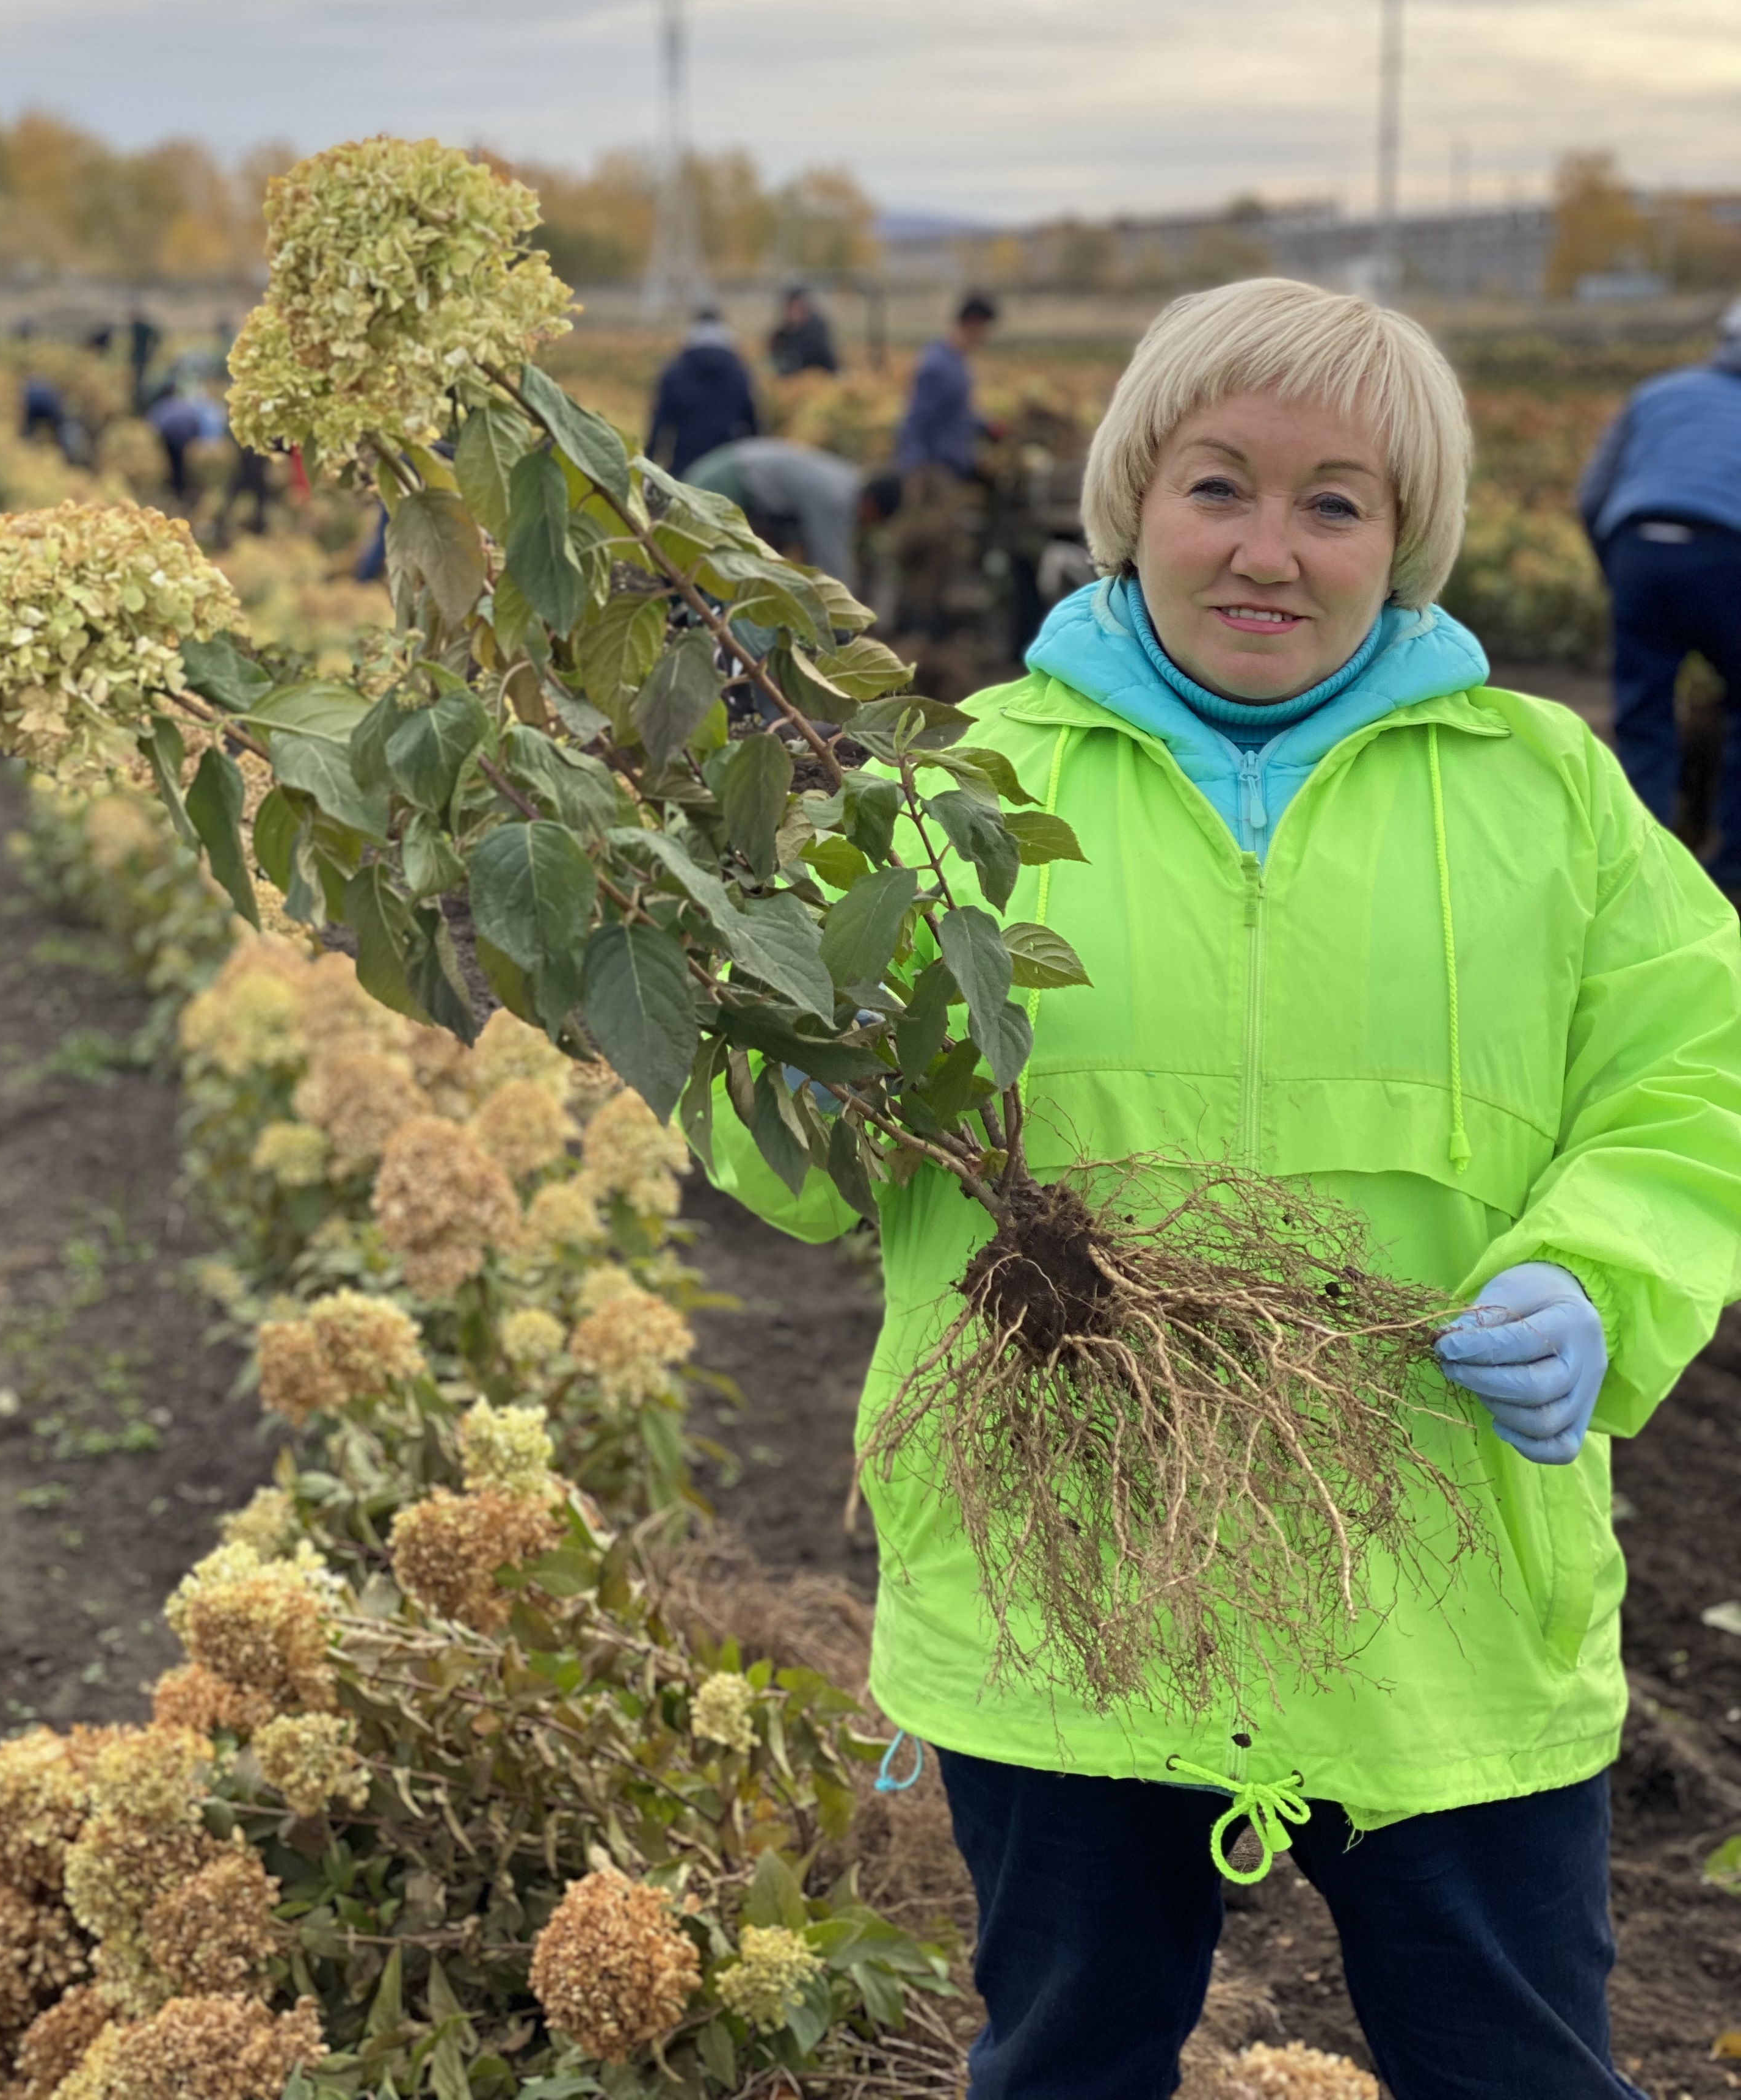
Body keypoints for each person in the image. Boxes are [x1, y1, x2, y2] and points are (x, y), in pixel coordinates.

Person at [708, 276, 1741, 2100]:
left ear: (1406, 539)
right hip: (1067, 1603)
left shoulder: (1549, 799)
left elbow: (1692, 1081)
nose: (1269, 551)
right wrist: (756, 1038)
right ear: (1132, 501)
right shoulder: (949, 793)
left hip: (1441, 1607)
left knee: (1516, 2067)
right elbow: (792, 1156)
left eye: (1336, 503)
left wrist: (1601, 1273)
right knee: (1068, 2062)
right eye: (1217, 487)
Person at [1577, 297, 1741, 893]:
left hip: (1639, 547)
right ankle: (1730, 869)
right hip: (1728, 552)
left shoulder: (1657, 393)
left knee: (1644, 715)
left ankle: (1641, 870)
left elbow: (1592, 495)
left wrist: (1617, 573)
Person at [683, 437, 863, 590]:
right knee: (700, 565)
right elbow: (831, 569)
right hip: (728, 480)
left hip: (733, 463)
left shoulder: (849, 481)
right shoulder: (836, 500)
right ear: (871, 506)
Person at [895, 291, 1000, 479]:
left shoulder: (957, 362)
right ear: (973, 323)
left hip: (955, 465)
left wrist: (986, 427)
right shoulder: (939, 365)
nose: (985, 336)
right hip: (937, 469)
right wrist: (915, 472)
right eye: (984, 328)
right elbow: (917, 420)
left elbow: (955, 412)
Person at [645, 310, 760, 477]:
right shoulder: (739, 372)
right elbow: (752, 421)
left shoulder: (675, 372)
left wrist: (649, 462)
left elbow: (660, 421)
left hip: (685, 463)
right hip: (726, 462)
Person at [766, 285, 839, 377]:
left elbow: (827, 362)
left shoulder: (816, 334)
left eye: (797, 307)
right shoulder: (783, 335)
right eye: (791, 308)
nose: (794, 312)